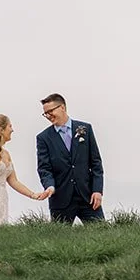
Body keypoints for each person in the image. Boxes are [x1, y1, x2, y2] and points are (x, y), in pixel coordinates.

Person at [35, 93, 104, 223]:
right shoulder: (43, 138)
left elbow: (96, 163)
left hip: (88, 197)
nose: (48, 116)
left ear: (62, 107)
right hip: (60, 199)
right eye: (45, 113)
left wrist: (97, 190)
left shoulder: (85, 129)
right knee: (58, 241)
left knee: (103, 236)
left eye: (50, 111)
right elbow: (44, 168)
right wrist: (49, 186)